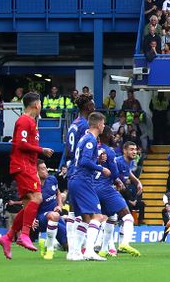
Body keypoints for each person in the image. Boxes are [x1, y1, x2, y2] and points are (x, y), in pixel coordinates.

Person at [0, 92, 54, 259]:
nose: (41, 106)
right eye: (41, 103)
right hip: (23, 165)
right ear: (36, 105)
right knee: (38, 198)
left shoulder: (32, 122)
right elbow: (20, 144)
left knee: (29, 203)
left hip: (27, 165)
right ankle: (24, 235)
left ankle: (8, 238)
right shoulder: (24, 120)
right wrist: (41, 150)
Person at [66, 111, 109, 261]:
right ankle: (89, 251)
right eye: (103, 124)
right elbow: (84, 161)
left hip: (75, 179)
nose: (104, 126)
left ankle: (74, 252)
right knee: (97, 216)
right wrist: (101, 168)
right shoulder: (90, 140)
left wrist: (96, 160)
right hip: (83, 180)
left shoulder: (84, 138)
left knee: (85, 218)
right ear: (98, 124)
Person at [93, 132, 140, 258]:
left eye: (135, 149)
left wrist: (137, 182)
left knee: (110, 218)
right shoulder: (115, 158)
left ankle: (103, 249)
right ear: (124, 151)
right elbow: (115, 174)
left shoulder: (126, 163)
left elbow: (127, 172)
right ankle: (123, 244)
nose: (134, 152)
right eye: (131, 149)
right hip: (107, 190)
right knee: (127, 217)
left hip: (95, 188)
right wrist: (119, 183)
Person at [62, 94, 94, 256]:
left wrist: (64, 165)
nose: (94, 106)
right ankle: (81, 248)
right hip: (81, 171)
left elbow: (68, 148)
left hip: (71, 168)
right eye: (92, 104)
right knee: (88, 212)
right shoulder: (84, 126)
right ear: (87, 107)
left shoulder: (73, 124)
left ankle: (73, 248)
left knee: (74, 211)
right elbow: (83, 149)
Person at [35, 162, 67, 260]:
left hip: (56, 217)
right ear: (36, 171)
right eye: (43, 169)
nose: (46, 170)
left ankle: (45, 244)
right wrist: (31, 219)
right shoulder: (33, 186)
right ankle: (50, 250)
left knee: (68, 246)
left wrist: (60, 205)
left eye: (46, 168)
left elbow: (58, 193)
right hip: (41, 217)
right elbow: (27, 204)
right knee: (54, 215)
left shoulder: (52, 179)